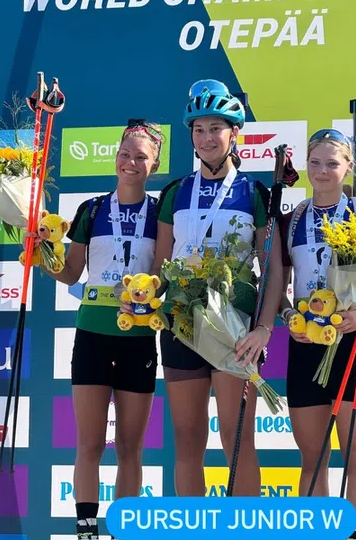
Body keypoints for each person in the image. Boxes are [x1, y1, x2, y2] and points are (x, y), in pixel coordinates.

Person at [26, 120, 165, 540]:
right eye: (125, 154)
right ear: (115, 157)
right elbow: (71, 273)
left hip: (138, 339)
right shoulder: (92, 209)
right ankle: (86, 530)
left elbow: (162, 276)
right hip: (91, 336)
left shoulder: (161, 214)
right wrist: (42, 254)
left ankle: (125, 530)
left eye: (140, 157)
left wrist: (148, 296)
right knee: (89, 443)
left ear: (154, 164)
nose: (130, 162)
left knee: (130, 448)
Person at [149, 79, 283, 496]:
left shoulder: (255, 192)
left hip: (235, 329)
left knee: (236, 439)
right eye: (199, 129)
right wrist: (140, 296)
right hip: (182, 327)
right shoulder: (174, 192)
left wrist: (263, 330)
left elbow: (273, 270)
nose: (206, 138)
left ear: (234, 133)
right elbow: (159, 268)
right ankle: (194, 525)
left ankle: (243, 525)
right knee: (188, 442)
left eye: (216, 129)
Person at [278, 129, 356, 540]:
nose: (322, 171)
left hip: (353, 342)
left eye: (332, 163)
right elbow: (277, 286)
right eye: (315, 162)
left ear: (348, 167)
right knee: (312, 456)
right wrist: (288, 315)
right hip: (305, 346)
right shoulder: (292, 220)